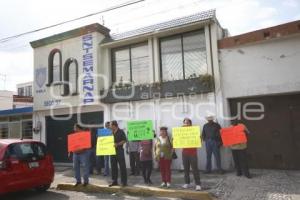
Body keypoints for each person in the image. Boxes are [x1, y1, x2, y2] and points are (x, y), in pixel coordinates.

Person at [181, 118, 202, 191]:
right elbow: (176, 140)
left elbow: (200, 140)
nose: (186, 124)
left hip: (193, 153)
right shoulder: (180, 131)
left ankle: (198, 184)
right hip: (184, 153)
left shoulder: (194, 131)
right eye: (185, 123)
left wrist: (199, 138)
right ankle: (187, 183)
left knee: (195, 169)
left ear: (190, 124)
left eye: (187, 123)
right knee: (186, 169)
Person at [109, 120, 128, 187]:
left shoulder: (121, 131)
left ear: (114, 125)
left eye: (110, 125)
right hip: (112, 151)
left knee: (122, 166)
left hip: (119, 151)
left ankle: (124, 182)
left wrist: (117, 144)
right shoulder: (110, 132)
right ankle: (114, 181)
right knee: (113, 166)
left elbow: (125, 140)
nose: (110, 127)